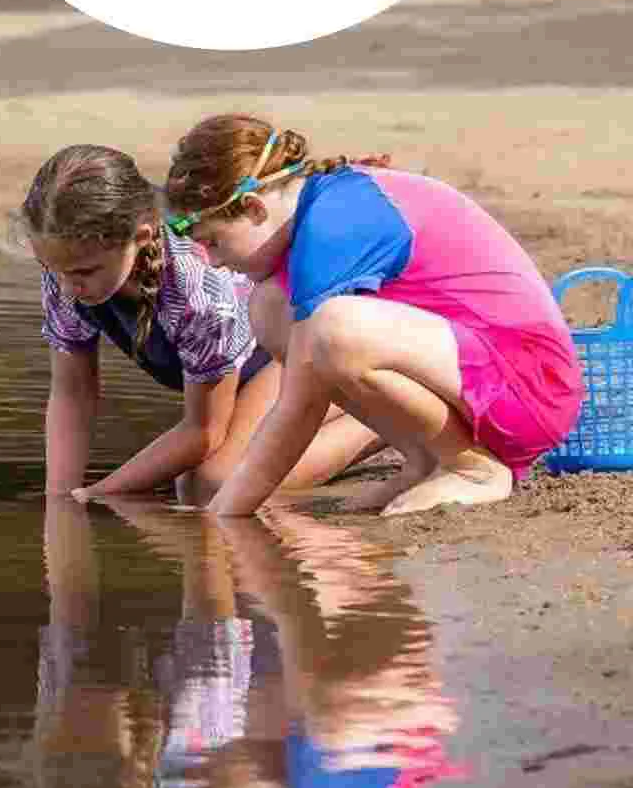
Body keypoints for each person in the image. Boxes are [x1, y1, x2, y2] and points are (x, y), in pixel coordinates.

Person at [162, 114, 585, 517]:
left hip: (531, 389)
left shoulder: (331, 227)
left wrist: (225, 515)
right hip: (480, 372)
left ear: (254, 209)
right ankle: (424, 459)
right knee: (271, 308)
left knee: (333, 330)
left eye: (214, 242)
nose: (212, 262)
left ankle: (473, 468)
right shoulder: (321, 205)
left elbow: (299, 407)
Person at [17, 145, 379, 503]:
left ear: (140, 238)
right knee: (195, 481)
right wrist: (60, 498)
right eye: (53, 269)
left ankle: (380, 423)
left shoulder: (198, 288)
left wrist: (99, 493)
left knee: (212, 484)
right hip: (242, 376)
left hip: (295, 346)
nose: (67, 287)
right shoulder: (68, 269)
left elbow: (204, 431)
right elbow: (72, 391)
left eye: (83, 272)